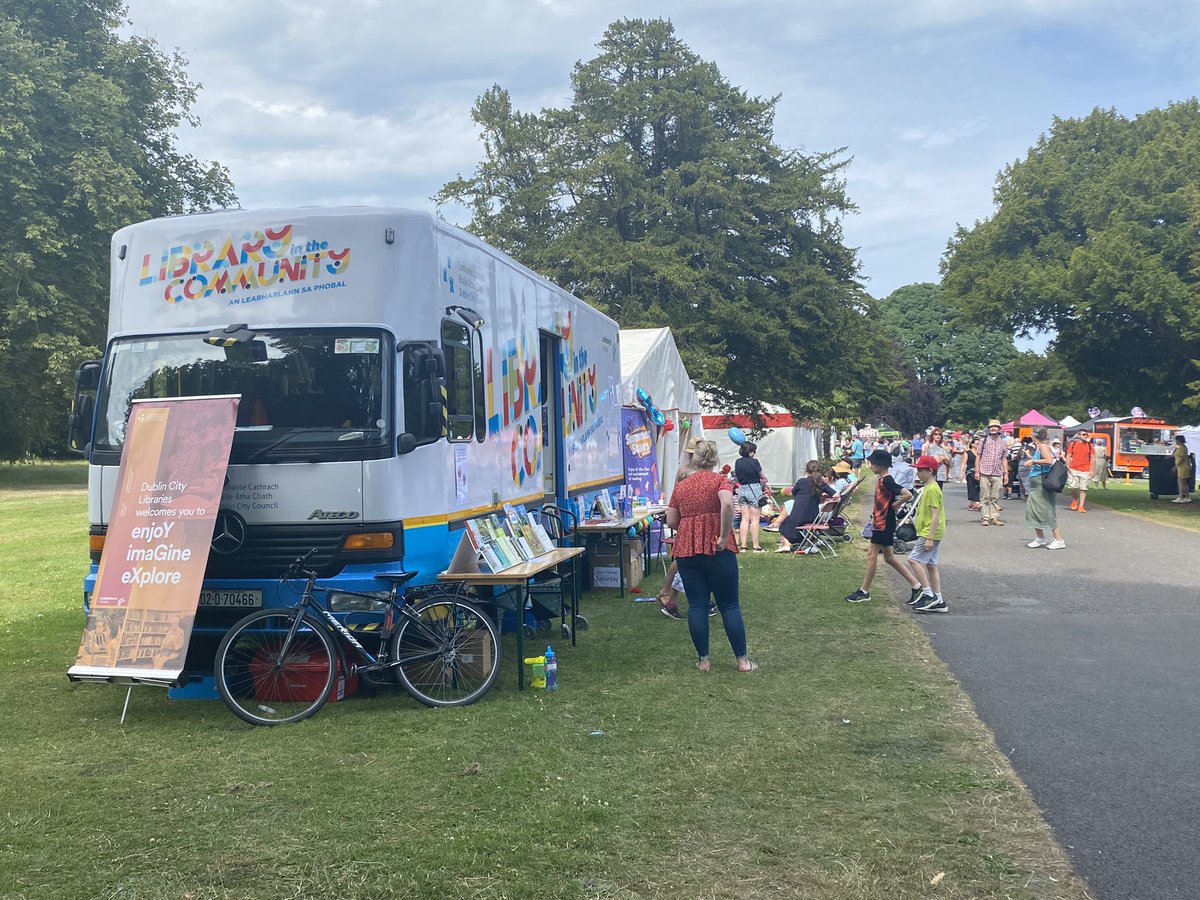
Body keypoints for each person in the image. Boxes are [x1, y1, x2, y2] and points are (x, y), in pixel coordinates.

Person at [665, 440, 756, 673]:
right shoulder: (720, 480)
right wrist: (723, 536)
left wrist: (690, 522)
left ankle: (704, 660)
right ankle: (742, 661)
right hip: (717, 548)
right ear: (715, 460)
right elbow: (726, 504)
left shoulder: (681, 486)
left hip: (687, 550)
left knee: (697, 605)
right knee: (729, 605)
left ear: (695, 459)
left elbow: (671, 521)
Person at [845, 449, 923, 603]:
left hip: (884, 523)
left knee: (872, 555)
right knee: (888, 557)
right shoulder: (881, 479)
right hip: (881, 522)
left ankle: (864, 591)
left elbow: (907, 494)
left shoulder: (887, 480)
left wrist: (895, 504)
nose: (871, 465)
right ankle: (916, 585)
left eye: (873, 463)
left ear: (880, 465)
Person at [908, 455, 948, 613]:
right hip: (930, 531)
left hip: (929, 531)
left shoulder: (932, 489)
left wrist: (929, 538)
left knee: (913, 559)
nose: (917, 473)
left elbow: (935, 515)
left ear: (930, 471)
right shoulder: (930, 487)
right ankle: (938, 598)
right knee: (931, 564)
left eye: (920, 470)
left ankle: (928, 593)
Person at [777, 460, 839, 553]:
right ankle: (802, 542)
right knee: (794, 525)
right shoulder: (821, 483)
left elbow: (793, 492)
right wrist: (823, 496)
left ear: (807, 470)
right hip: (813, 517)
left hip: (799, 515)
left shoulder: (801, 482)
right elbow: (836, 495)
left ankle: (786, 544)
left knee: (782, 525)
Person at [1022, 427, 1066, 549]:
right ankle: (1040, 537)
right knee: (1033, 510)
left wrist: (1033, 461)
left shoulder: (1043, 447)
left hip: (1042, 481)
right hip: (1036, 482)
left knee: (1047, 509)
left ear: (1033, 435)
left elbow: (1048, 460)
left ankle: (1059, 539)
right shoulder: (1040, 447)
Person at [733, 442, 767, 552]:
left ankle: (743, 545)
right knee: (755, 519)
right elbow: (761, 476)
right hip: (754, 489)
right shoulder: (755, 462)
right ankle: (756, 545)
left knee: (744, 518)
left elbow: (737, 477)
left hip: (742, 489)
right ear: (751, 452)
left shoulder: (738, 462)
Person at [976, 419, 1009, 524]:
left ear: (999, 429)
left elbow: (1004, 459)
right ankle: (985, 517)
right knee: (985, 496)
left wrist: (1006, 473)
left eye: (995, 426)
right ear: (989, 429)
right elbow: (978, 456)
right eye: (991, 427)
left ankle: (995, 517)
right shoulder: (983, 441)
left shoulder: (1003, 443)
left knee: (995, 496)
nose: (993, 428)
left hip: (997, 472)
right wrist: (977, 471)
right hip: (984, 471)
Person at [1065, 432, 1095, 512]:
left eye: (1086, 435)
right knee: (1072, 487)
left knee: (1083, 488)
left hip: (1085, 469)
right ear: (1079, 435)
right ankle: (1075, 499)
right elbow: (1068, 455)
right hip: (1073, 468)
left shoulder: (1090, 445)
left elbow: (1092, 458)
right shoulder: (1073, 444)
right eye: (1083, 434)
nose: (1085, 436)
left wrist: (1092, 470)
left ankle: (1081, 506)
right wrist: (1067, 466)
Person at [1173, 434, 1193, 503]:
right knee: (1182, 483)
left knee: (1182, 483)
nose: (1175, 441)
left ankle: (1183, 497)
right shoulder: (1180, 448)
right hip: (1181, 468)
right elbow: (1175, 454)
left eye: (1176, 440)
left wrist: (1175, 466)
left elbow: (1181, 458)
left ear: (1179, 440)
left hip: (1183, 467)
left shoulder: (1182, 448)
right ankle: (1184, 497)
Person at [964, 436, 981, 510]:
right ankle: (977, 502)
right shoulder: (968, 453)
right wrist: (961, 474)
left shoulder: (980, 453)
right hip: (970, 472)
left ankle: (971, 503)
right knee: (972, 486)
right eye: (977, 444)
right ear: (973, 444)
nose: (979, 445)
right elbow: (963, 463)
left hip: (979, 471)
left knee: (977, 486)